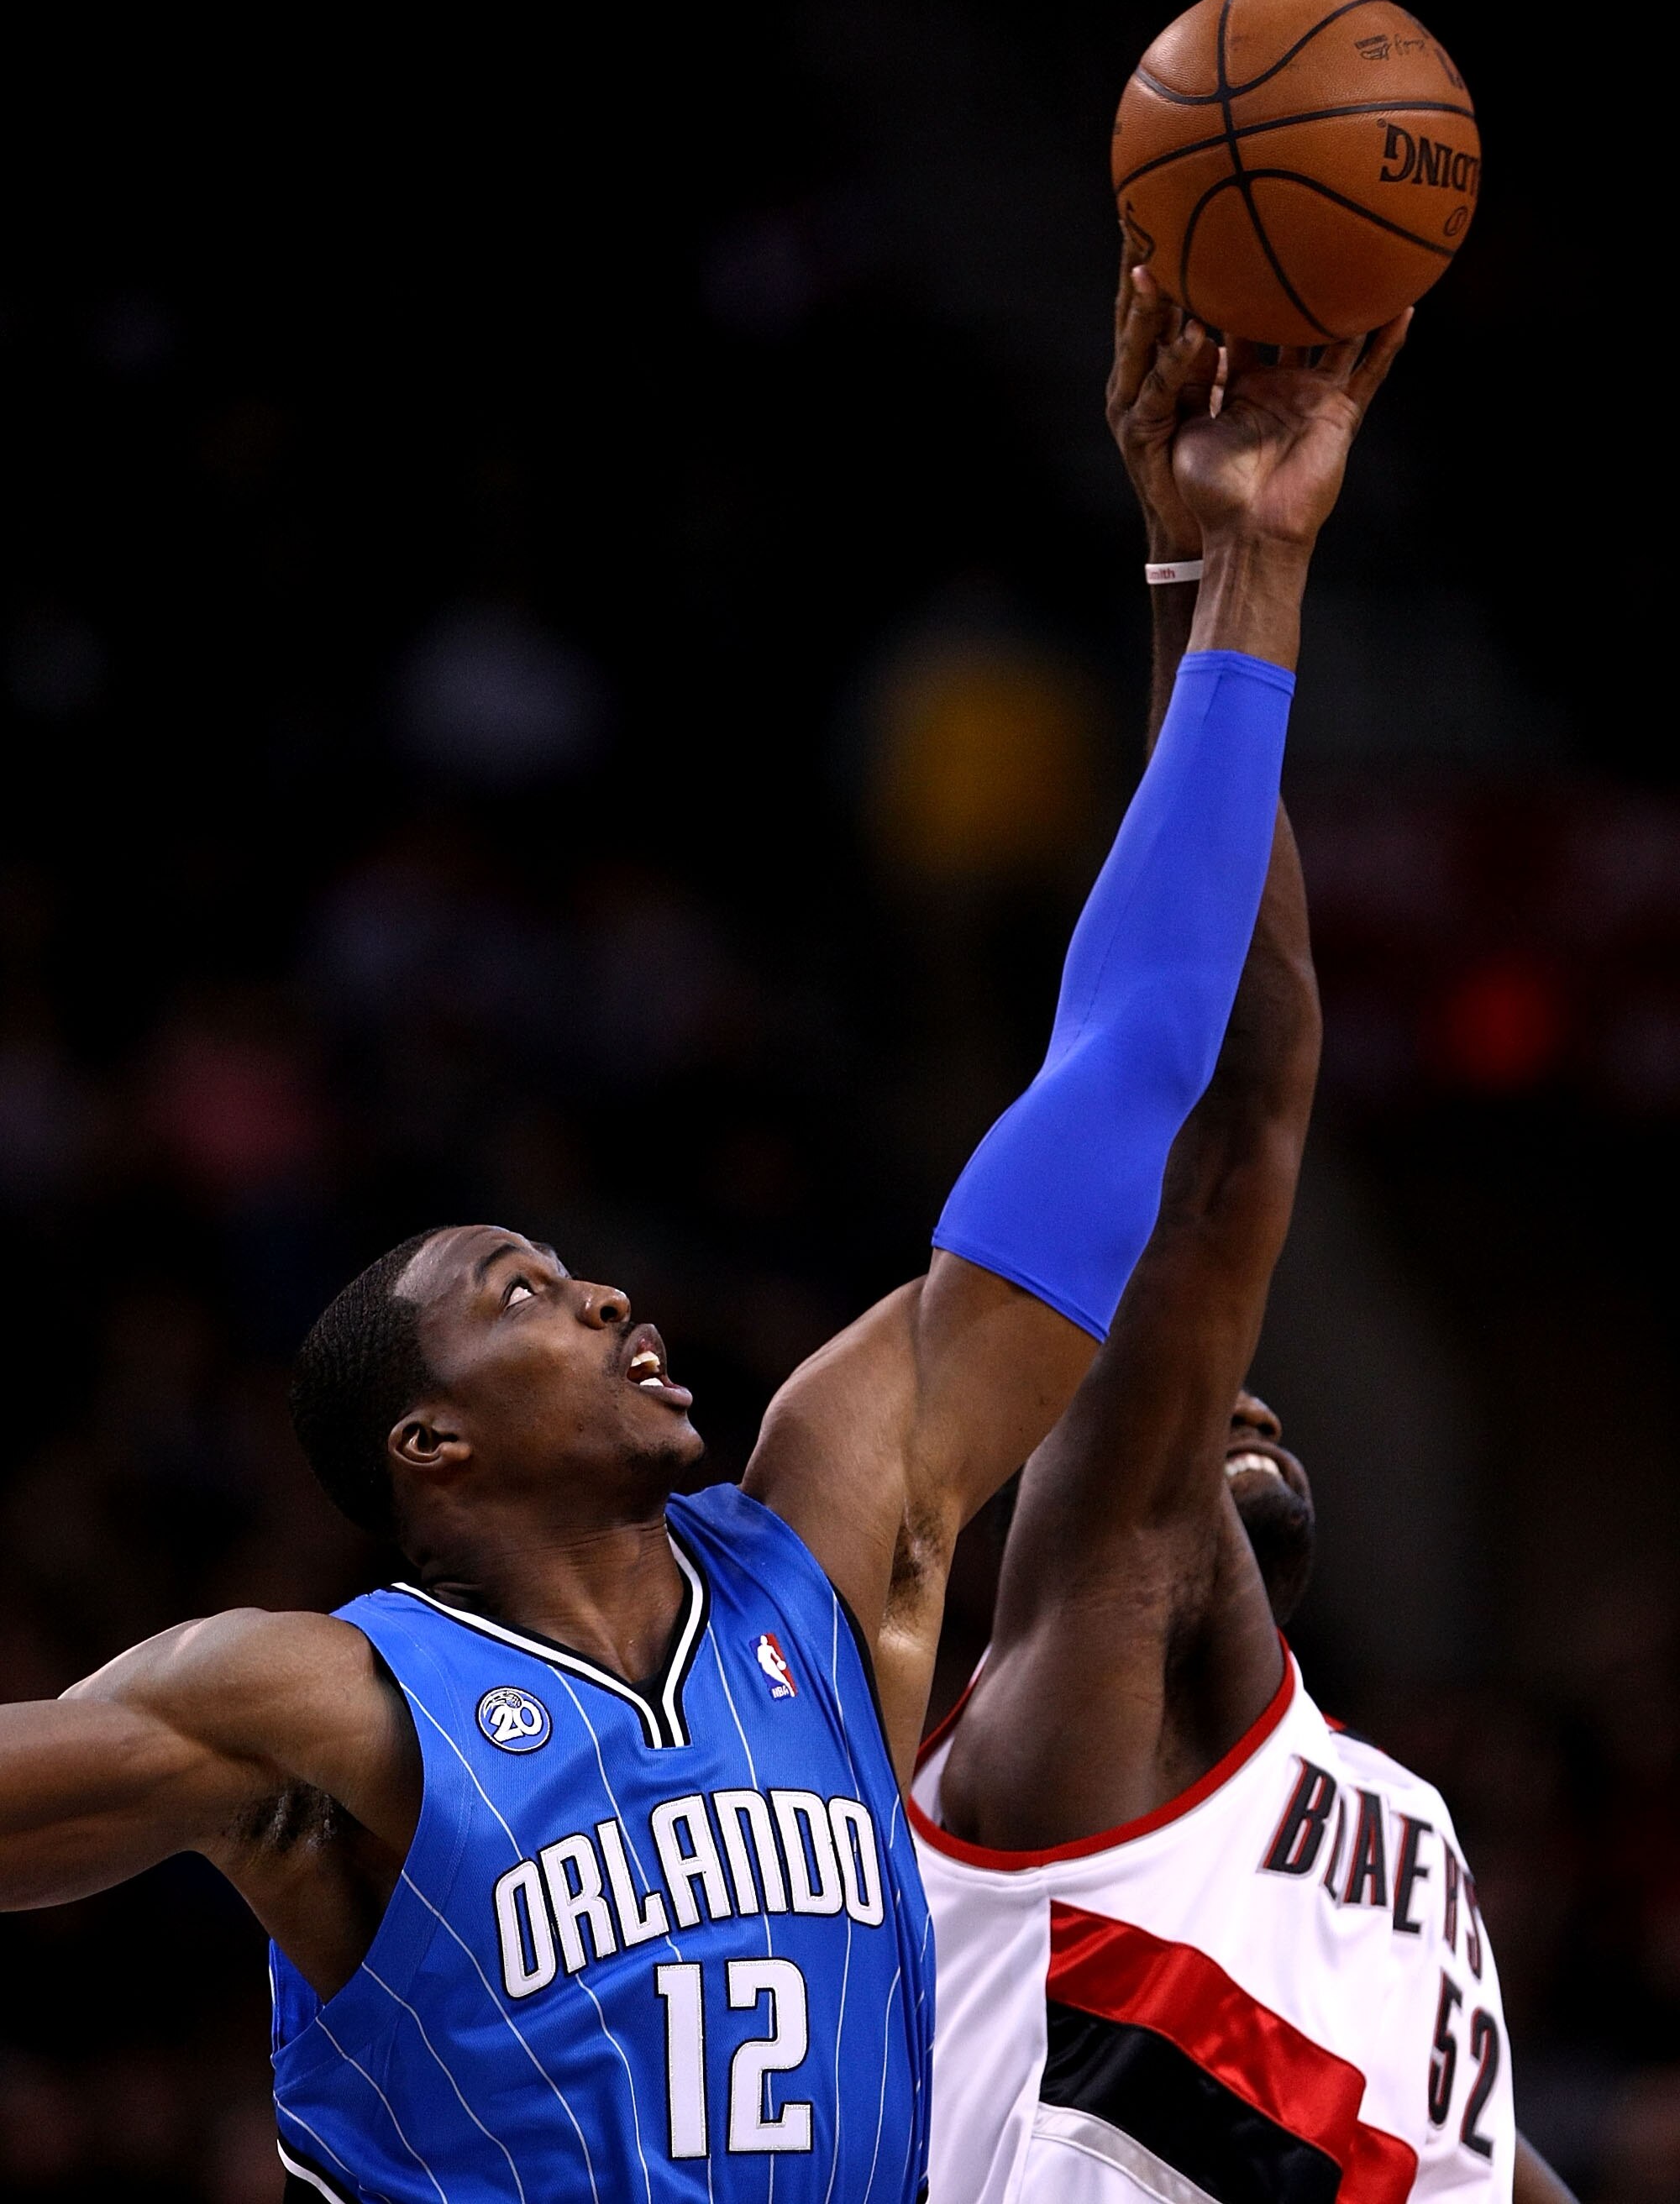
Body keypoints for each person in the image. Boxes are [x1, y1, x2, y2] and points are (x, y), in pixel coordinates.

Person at [0, 269, 1400, 2203]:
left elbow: (1130, 1070)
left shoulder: (830, 1547)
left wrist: (1232, 569)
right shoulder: (324, 1707)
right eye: (521, 1293)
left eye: (574, 1270)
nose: (602, 1291)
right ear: (433, 1447)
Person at [911, 273, 1574, 2203]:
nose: (1234, 1398)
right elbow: (1207, 1125)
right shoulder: (1070, 1727)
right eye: (1183, 1392)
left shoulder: (1362, 1818)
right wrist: (1225, 574)